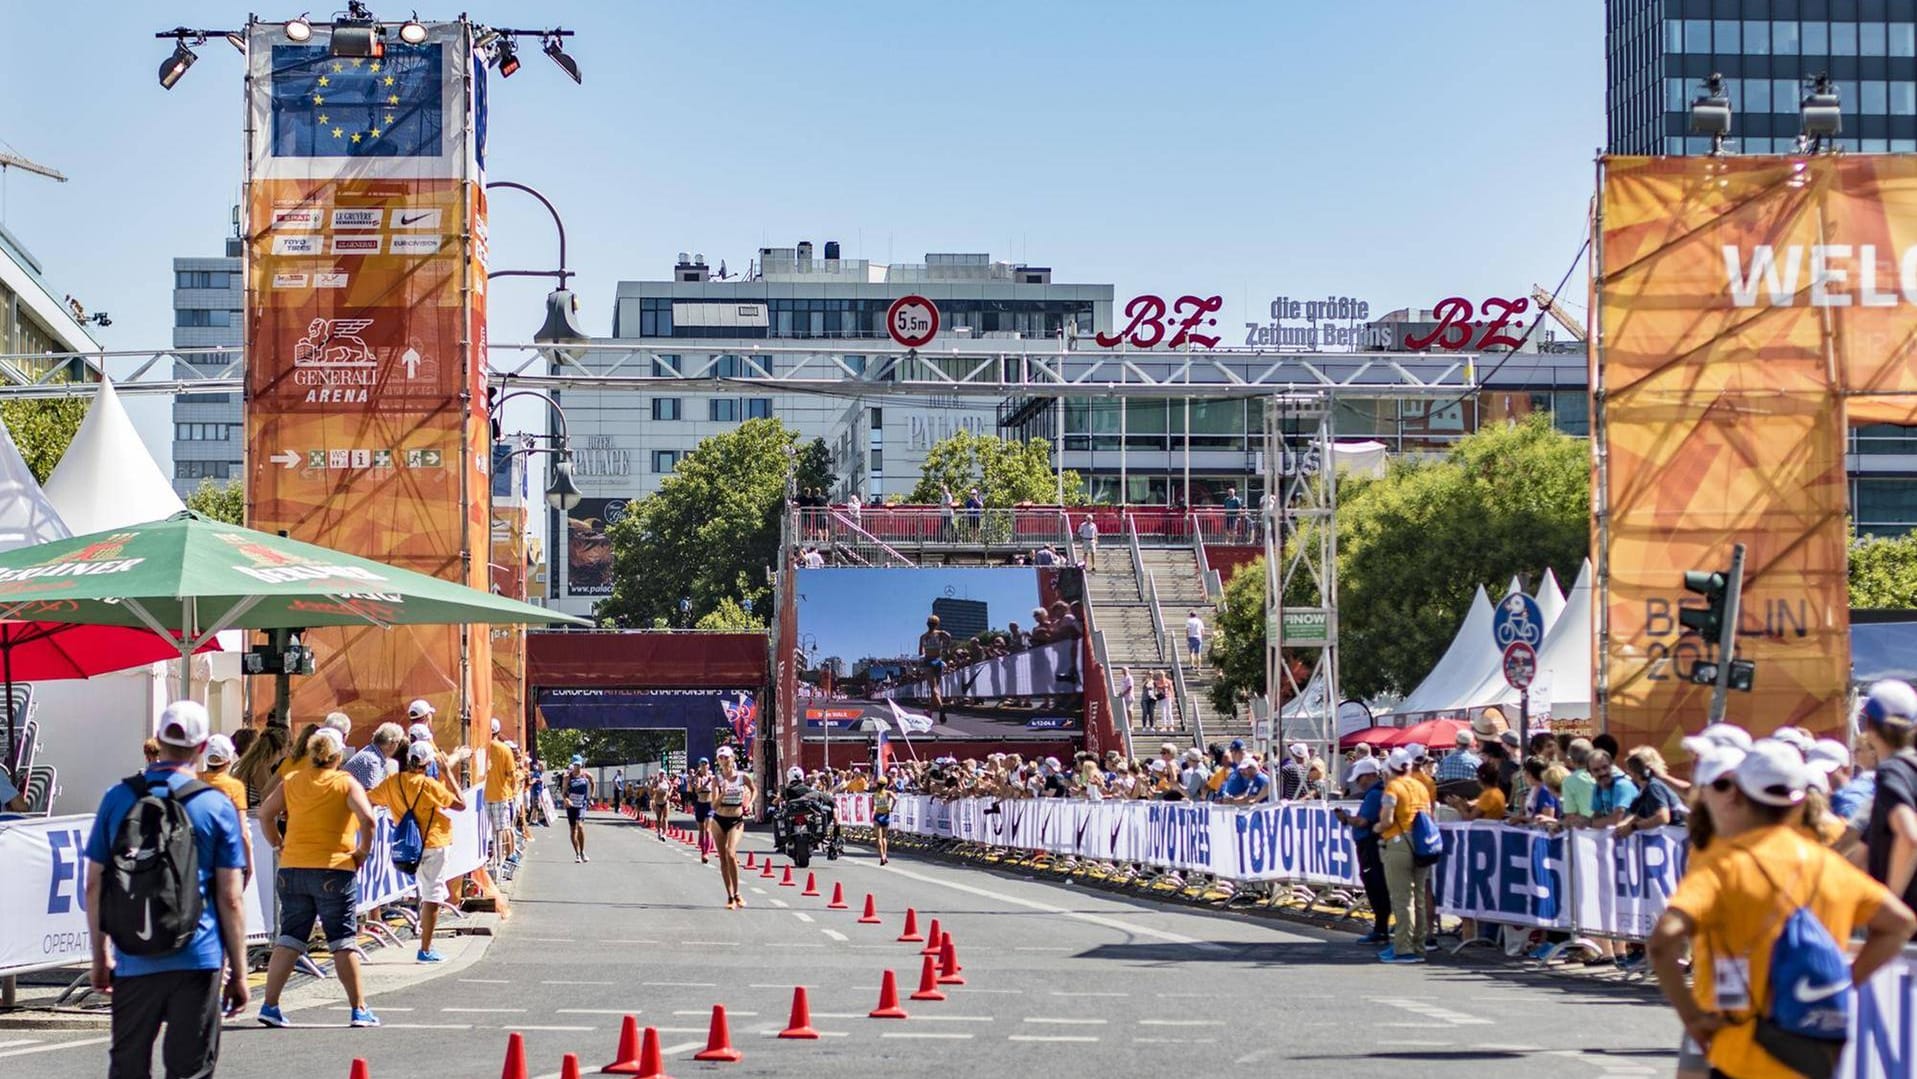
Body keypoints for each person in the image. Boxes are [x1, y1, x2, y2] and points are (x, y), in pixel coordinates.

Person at [1648, 739, 1915, 1079]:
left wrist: (1692, 1016)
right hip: (1810, 1054)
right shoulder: (1827, 866)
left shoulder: (1725, 865)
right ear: (1801, 799)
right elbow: (1899, 924)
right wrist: (1848, 982)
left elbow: (1661, 942)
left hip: (1740, 1052)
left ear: (1741, 794)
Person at [85, 702, 249, 1079]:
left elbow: (94, 882)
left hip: (133, 954)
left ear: (158, 739)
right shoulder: (215, 805)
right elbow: (230, 897)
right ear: (203, 745)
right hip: (198, 954)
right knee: (189, 1070)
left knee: (128, 1066)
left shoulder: (117, 797)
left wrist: (99, 955)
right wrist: (238, 971)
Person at [256, 727, 379, 1029]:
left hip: (293, 866)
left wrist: (277, 844)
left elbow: (265, 814)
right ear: (338, 756)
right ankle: (358, 1008)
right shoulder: (345, 783)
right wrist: (362, 852)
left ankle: (270, 1004)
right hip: (334, 867)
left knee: (290, 937)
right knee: (342, 939)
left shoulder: (293, 780)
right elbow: (368, 819)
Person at [367, 742, 465, 962]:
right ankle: (426, 948)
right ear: (428, 763)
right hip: (434, 841)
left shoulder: (393, 782)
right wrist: (447, 772)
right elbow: (460, 804)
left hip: (409, 845)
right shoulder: (430, 785)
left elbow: (370, 798)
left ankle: (425, 944)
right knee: (433, 895)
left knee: (426, 891)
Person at [1856, 678, 1917, 923]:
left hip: (1906, 934)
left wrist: (1889, 904)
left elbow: (1910, 837)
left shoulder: (1893, 771)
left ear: (1868, 724)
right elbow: (1862, 851)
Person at [1377, 747, 1433, 964]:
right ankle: (1419, 945)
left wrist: (1376, 828)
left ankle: (1403, 947)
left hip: (1398, 843)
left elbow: (1387, 820)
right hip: (1421, 843)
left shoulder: (1393, 788)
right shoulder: (1421, 786)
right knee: (1419, 897)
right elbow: (1428, 814)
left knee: (1402, 898)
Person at [1335, 757, 1391, 944]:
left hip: (1370, 845)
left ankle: (1381, 928)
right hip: (1372, 844)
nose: (1359, 783)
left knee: (1376, 886)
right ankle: (1382, 927)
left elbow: (1363, 821)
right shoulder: (1376, 793)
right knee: (1377, 886)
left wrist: (1345, 818)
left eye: (1360, 779)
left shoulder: (1375, 795)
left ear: (1370, 775)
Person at [199, 734, 254, 884]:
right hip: (226, 858)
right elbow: (243, 832)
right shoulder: (235, 787)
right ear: (229, 760)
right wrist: (249, 863)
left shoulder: (193, 779)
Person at [712, 746, 757, 909]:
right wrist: (722, 794)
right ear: (718, 760)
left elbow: (754, 789)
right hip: (718, 820)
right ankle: (730, 896)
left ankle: (738, 893)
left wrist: (750, 803)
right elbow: (714, 806)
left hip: (736, 820)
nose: (724, 760)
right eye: (721, 758)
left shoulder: (742, 777)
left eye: (726, 757)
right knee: (723, 858)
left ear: (733, 758)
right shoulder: (717, 779)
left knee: (731, 853)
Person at [483, 718, 520, 870]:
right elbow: (511, 773)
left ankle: (487, 861)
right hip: (501, 795)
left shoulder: (481, 748)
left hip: (483, 796)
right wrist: (512, 792)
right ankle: (499, 862)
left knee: (485, 831)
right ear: (498, 732)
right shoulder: (504, 750)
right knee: (501, 830)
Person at [343, 722, 403, 793]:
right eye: (399, 742)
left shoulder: (372, 754)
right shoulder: (372, 761)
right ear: (392, 744)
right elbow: (371, 796)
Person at [918, 614, 952, 723]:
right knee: (936, 688)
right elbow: (949, 636)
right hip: (938, 661)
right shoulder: (940, 634)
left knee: (934, 688)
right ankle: (930, 712)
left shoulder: (923, 636)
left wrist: (925, 653)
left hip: (928, 661)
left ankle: (941, 708)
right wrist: (946, 648)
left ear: (927, 624)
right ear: (937, 624)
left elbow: (920, 652)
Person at [562, 759, 594, 862]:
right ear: (573, 765)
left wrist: (591, 797)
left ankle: (582, 851)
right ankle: (577, 854)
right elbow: (564, 792)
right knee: (573, 829)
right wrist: (566, 799)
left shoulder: (586, 775)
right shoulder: (567, 777)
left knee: (580, 826)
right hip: (571, 805)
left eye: (579, 765)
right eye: (575, 765)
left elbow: (593, 783)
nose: (577, 767)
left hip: (581, 804)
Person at [689, 757, 716, 863]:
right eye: (702, 764)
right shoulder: (698, 777)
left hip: (709, 804)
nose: (704, 766)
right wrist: (706, 783)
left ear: (708, 765)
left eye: (705, 764)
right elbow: (698, 790)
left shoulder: (712, 777)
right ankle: (702, 851)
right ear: (699, 766)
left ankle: (706, 853)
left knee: (708, 830)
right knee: (701, 830)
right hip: (700, 804)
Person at [872, 776, 897, 865]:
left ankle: (881, 855)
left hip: (878, 816)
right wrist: (891, 808)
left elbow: (874, 806)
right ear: (885, 785)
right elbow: (896, 799)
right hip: (886, 815)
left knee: (878, 838)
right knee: (884, 837)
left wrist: (873, 812)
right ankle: (885, 855)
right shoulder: (888, 793)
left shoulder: (874, 795)